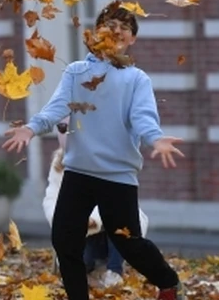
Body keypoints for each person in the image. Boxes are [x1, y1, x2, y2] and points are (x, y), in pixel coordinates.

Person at [3, 1, 186, 300]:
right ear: (94, 33)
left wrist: (155, 139)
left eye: (123, 29)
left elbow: (142, 118)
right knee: (64, 240)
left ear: (132, 40)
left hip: (117, 177)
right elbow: (56, 108)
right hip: (78, 172)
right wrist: (31, 128)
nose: (115, 33)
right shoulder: (76, 72)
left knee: (129, 244)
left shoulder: (136, 79)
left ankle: (169, 283)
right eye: (108, 26)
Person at [43, 121, 151, 289]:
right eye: (63, 129)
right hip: (83, 232)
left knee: (119, 225)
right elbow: (52, 198)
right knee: (81, 259)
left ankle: (114, 272)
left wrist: (92, 218)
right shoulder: (60, 165)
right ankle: (87, 271)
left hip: (109, 229)